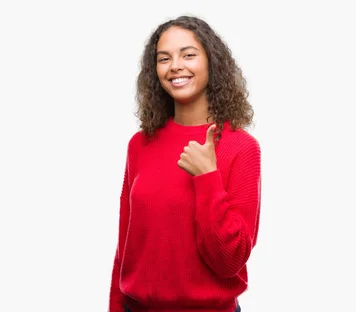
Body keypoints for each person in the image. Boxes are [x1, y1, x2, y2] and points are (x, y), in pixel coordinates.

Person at [108, 15, 261, 312]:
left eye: (188, 55)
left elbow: (230, 260)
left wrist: (207, 177)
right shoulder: (140, 145)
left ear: (210, 63)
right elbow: (125, 245)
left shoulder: (241, 147)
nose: (175, 65)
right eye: (164, 58)